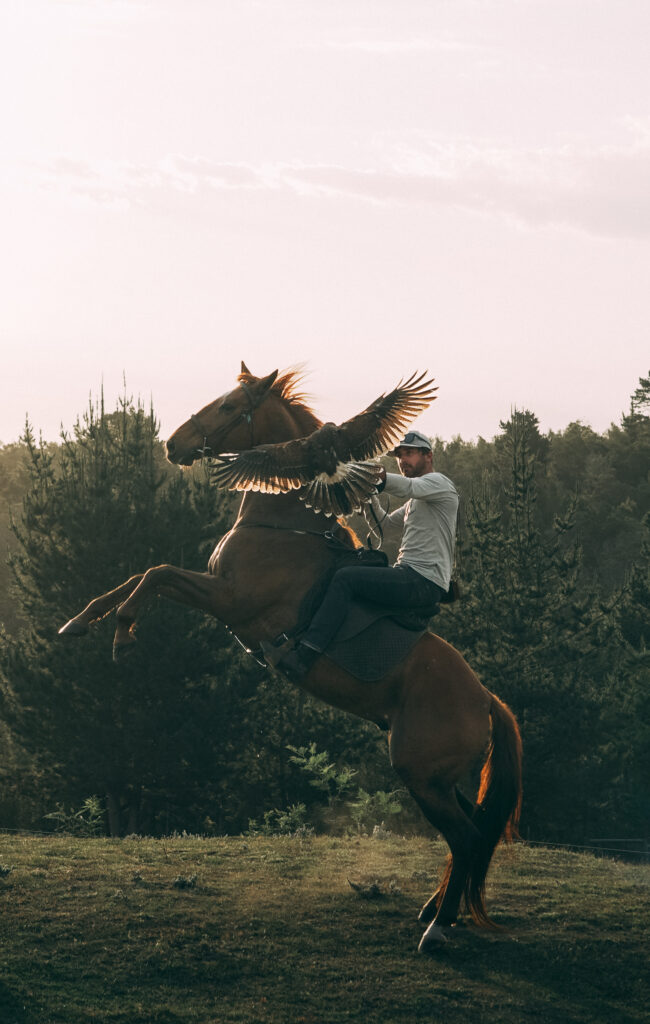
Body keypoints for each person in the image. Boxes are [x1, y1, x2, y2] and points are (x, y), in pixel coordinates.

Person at [264, 429, 458, 679]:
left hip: (423, 580)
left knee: (346, 579)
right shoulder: (416, 503)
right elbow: (385, 527)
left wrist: (368, 476)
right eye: (398, 456)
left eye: (408, 454)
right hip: (411, 576)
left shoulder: (440, 484)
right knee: (346, 571)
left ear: (428, 456)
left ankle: (305, 656)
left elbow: (408, 486)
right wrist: (367, 498)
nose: (402, 461)